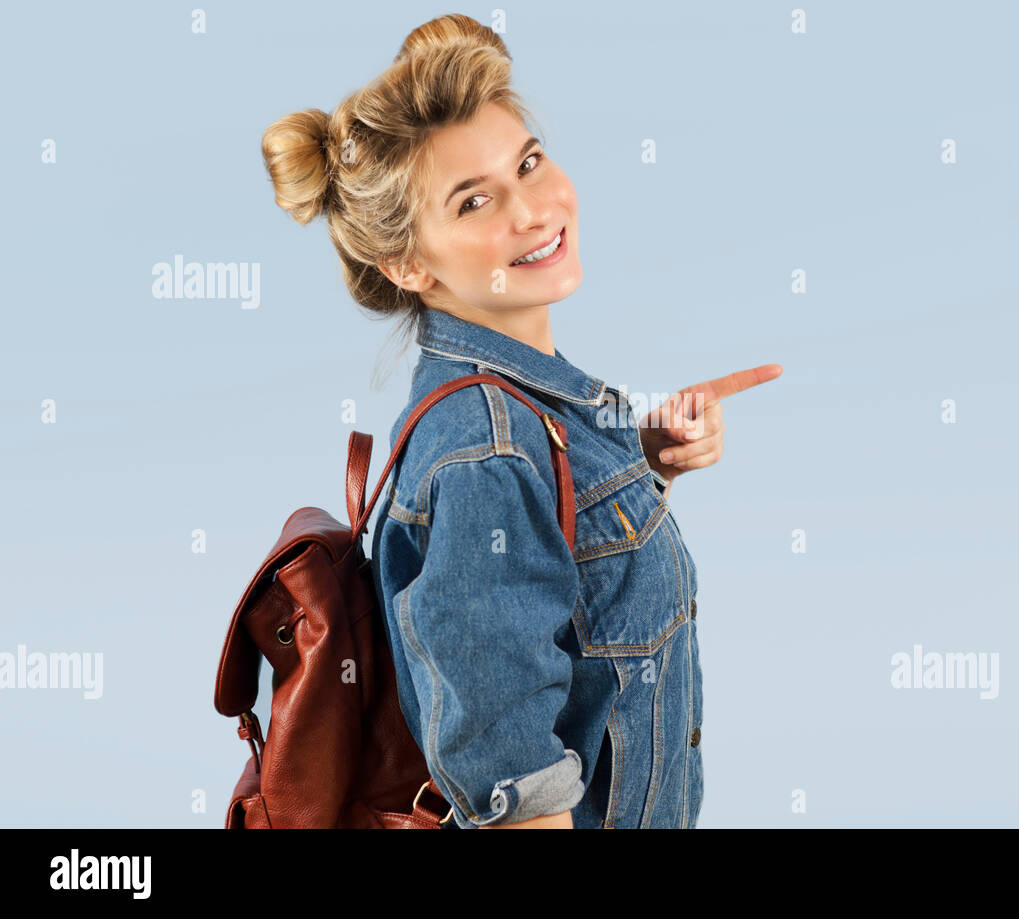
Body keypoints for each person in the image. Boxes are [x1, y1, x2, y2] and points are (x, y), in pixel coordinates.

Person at [260, 13, 780, 828]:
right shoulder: (484, 452)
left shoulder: (529, 418)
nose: (534, 209)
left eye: (529, 162)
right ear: (408, 263)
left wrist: (641, 461)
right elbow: (509, 770)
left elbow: (563, 595)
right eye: (475, 201)